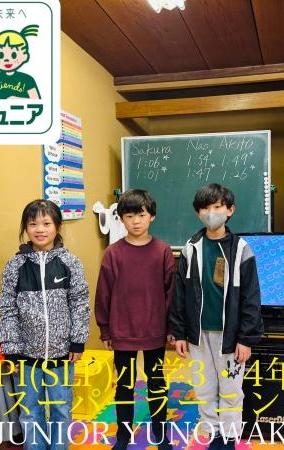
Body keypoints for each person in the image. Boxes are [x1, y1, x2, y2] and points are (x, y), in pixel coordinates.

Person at [170, 183, 263, 450]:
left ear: (230, 210)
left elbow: (251, 298)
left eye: (217, 207)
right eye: (205, 208)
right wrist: (179, 333)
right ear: (198, 213)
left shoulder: (242, 249)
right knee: (204, 389)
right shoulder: (191, 249)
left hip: (230, 337)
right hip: (198, 336)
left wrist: (246, 338)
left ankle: (229, 439)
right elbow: (179, 294)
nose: (211, 213)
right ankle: (212, 436)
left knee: (231, 390)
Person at [0, 199, 90, 450]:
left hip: (62, 354)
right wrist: (11, 349)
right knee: (30, 411)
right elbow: (7, 309)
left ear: (57, 226)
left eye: (46, 223)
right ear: (25, 228)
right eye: (33, 224)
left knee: (61, 408)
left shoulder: (71, 262)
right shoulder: (15, 266)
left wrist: (77, 341)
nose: (40, 229)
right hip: (26, 356)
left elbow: (80, 303)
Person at [95, 189, 175, 450]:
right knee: (125, 385)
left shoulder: (163, 250)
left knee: (156, 383)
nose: (136, 221)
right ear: (121, 219)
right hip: (122, 330)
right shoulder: (113, 253)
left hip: (155, 330)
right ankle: (123, 435)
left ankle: (160, 434)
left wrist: (171, 327)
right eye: (129, 216)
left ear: (152, 216)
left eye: (141, 215)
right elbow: (103, 293)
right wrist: (105, 329)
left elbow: (171, 293)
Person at [0, 25, 41, 98]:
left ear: (25, 56)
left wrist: (15, 99)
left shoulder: (27, 79)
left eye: (13, 55)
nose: (6, 60)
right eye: (1, 55)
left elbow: (36, 100)